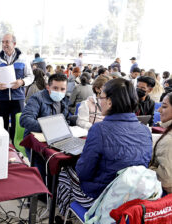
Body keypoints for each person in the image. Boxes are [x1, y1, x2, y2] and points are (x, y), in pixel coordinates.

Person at [57, 78, 152, 219]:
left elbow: (84, 173)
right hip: (131, 198)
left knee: (65, 174)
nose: (99, 101)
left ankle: (65, 216)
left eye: (101, 97)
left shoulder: (99, 130)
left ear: (109, 101)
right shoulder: (145, 130)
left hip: (101, 198)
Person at [20, 73, 71, 182]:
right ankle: (44, 195)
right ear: (48, 87)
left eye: (62, 89)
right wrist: (49, 127)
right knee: (44, 174)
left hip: (56, 139)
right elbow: (25, 120)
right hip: (35, 143)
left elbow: (66, 119)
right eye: (55, 88)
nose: (59, 92)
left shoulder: (64, 100)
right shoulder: (37, 98)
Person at [0, 33, 34, 142]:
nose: (4, 44)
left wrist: (22, 82)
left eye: (7, 42)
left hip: (18, 99)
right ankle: (3, 149)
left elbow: (31, 76)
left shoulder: (23, 58)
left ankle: (16, 152)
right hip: (2, 99)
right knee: (1, 127)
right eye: (2, 42)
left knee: (17, 127)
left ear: (14, 43)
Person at [149, 92, 172, 194]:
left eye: (164, 106)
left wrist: (148, 169)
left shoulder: (169, 141)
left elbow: (166, 182)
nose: (159, 110)